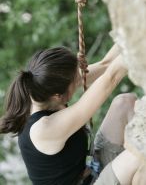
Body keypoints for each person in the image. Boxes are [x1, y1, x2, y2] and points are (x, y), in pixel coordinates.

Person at [0, 45, 143, 185]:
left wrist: (130, 30)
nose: (80, 78)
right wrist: (136, 44)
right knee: (138, 155)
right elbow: (110, 79)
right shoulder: (43, 129)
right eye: (76, 80)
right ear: (58, 96)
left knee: (124, 103)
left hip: (92, 171)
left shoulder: (41, 89)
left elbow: (105, 65)